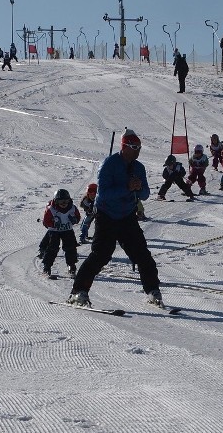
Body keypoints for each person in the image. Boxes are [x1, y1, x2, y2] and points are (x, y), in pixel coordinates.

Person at [67, 129, 163, 307]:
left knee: (142, 255)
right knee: (100, 255)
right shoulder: (109, 164)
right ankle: (78, 291)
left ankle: (153, 290)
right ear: (125, 146)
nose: (138, 150)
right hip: (107, 216)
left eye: (140, 147)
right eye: (134, 147)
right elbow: (103, 194)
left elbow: (145, 194)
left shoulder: (139, 168)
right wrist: (128, 187)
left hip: (127, 216)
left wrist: (138, 188)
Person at [40, 189, 81, 277]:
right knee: (52, 248)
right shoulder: (51, 209)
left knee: (70, 248)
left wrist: (75, 220)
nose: (63, 203)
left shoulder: (72, 208)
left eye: (66, 201)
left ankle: (71, 265)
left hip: (67, 230)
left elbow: (78, 217)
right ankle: (47, 266)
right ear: (56, 201)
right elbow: (46, 221)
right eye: (60, 201)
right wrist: (53, 223)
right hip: (54, 232)